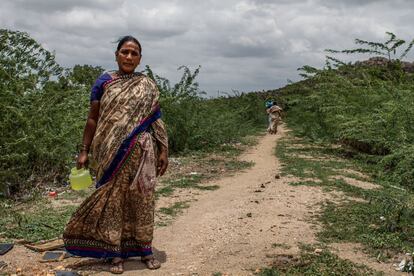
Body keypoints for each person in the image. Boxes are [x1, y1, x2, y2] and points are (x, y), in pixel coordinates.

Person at [63, 35, 168, 274]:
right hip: (108, 153)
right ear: (116, 55)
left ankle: (144, 250)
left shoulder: (148, 85)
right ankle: (114, 253)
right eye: (125, 52)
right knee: (112, 203)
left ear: (140, 59)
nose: (129, 57)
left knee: (142, 201)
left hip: (142, 152)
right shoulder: (104, 82)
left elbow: (156, 120)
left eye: (134, 53)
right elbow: (92, 119)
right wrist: (84, 151)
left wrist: (163, 150)